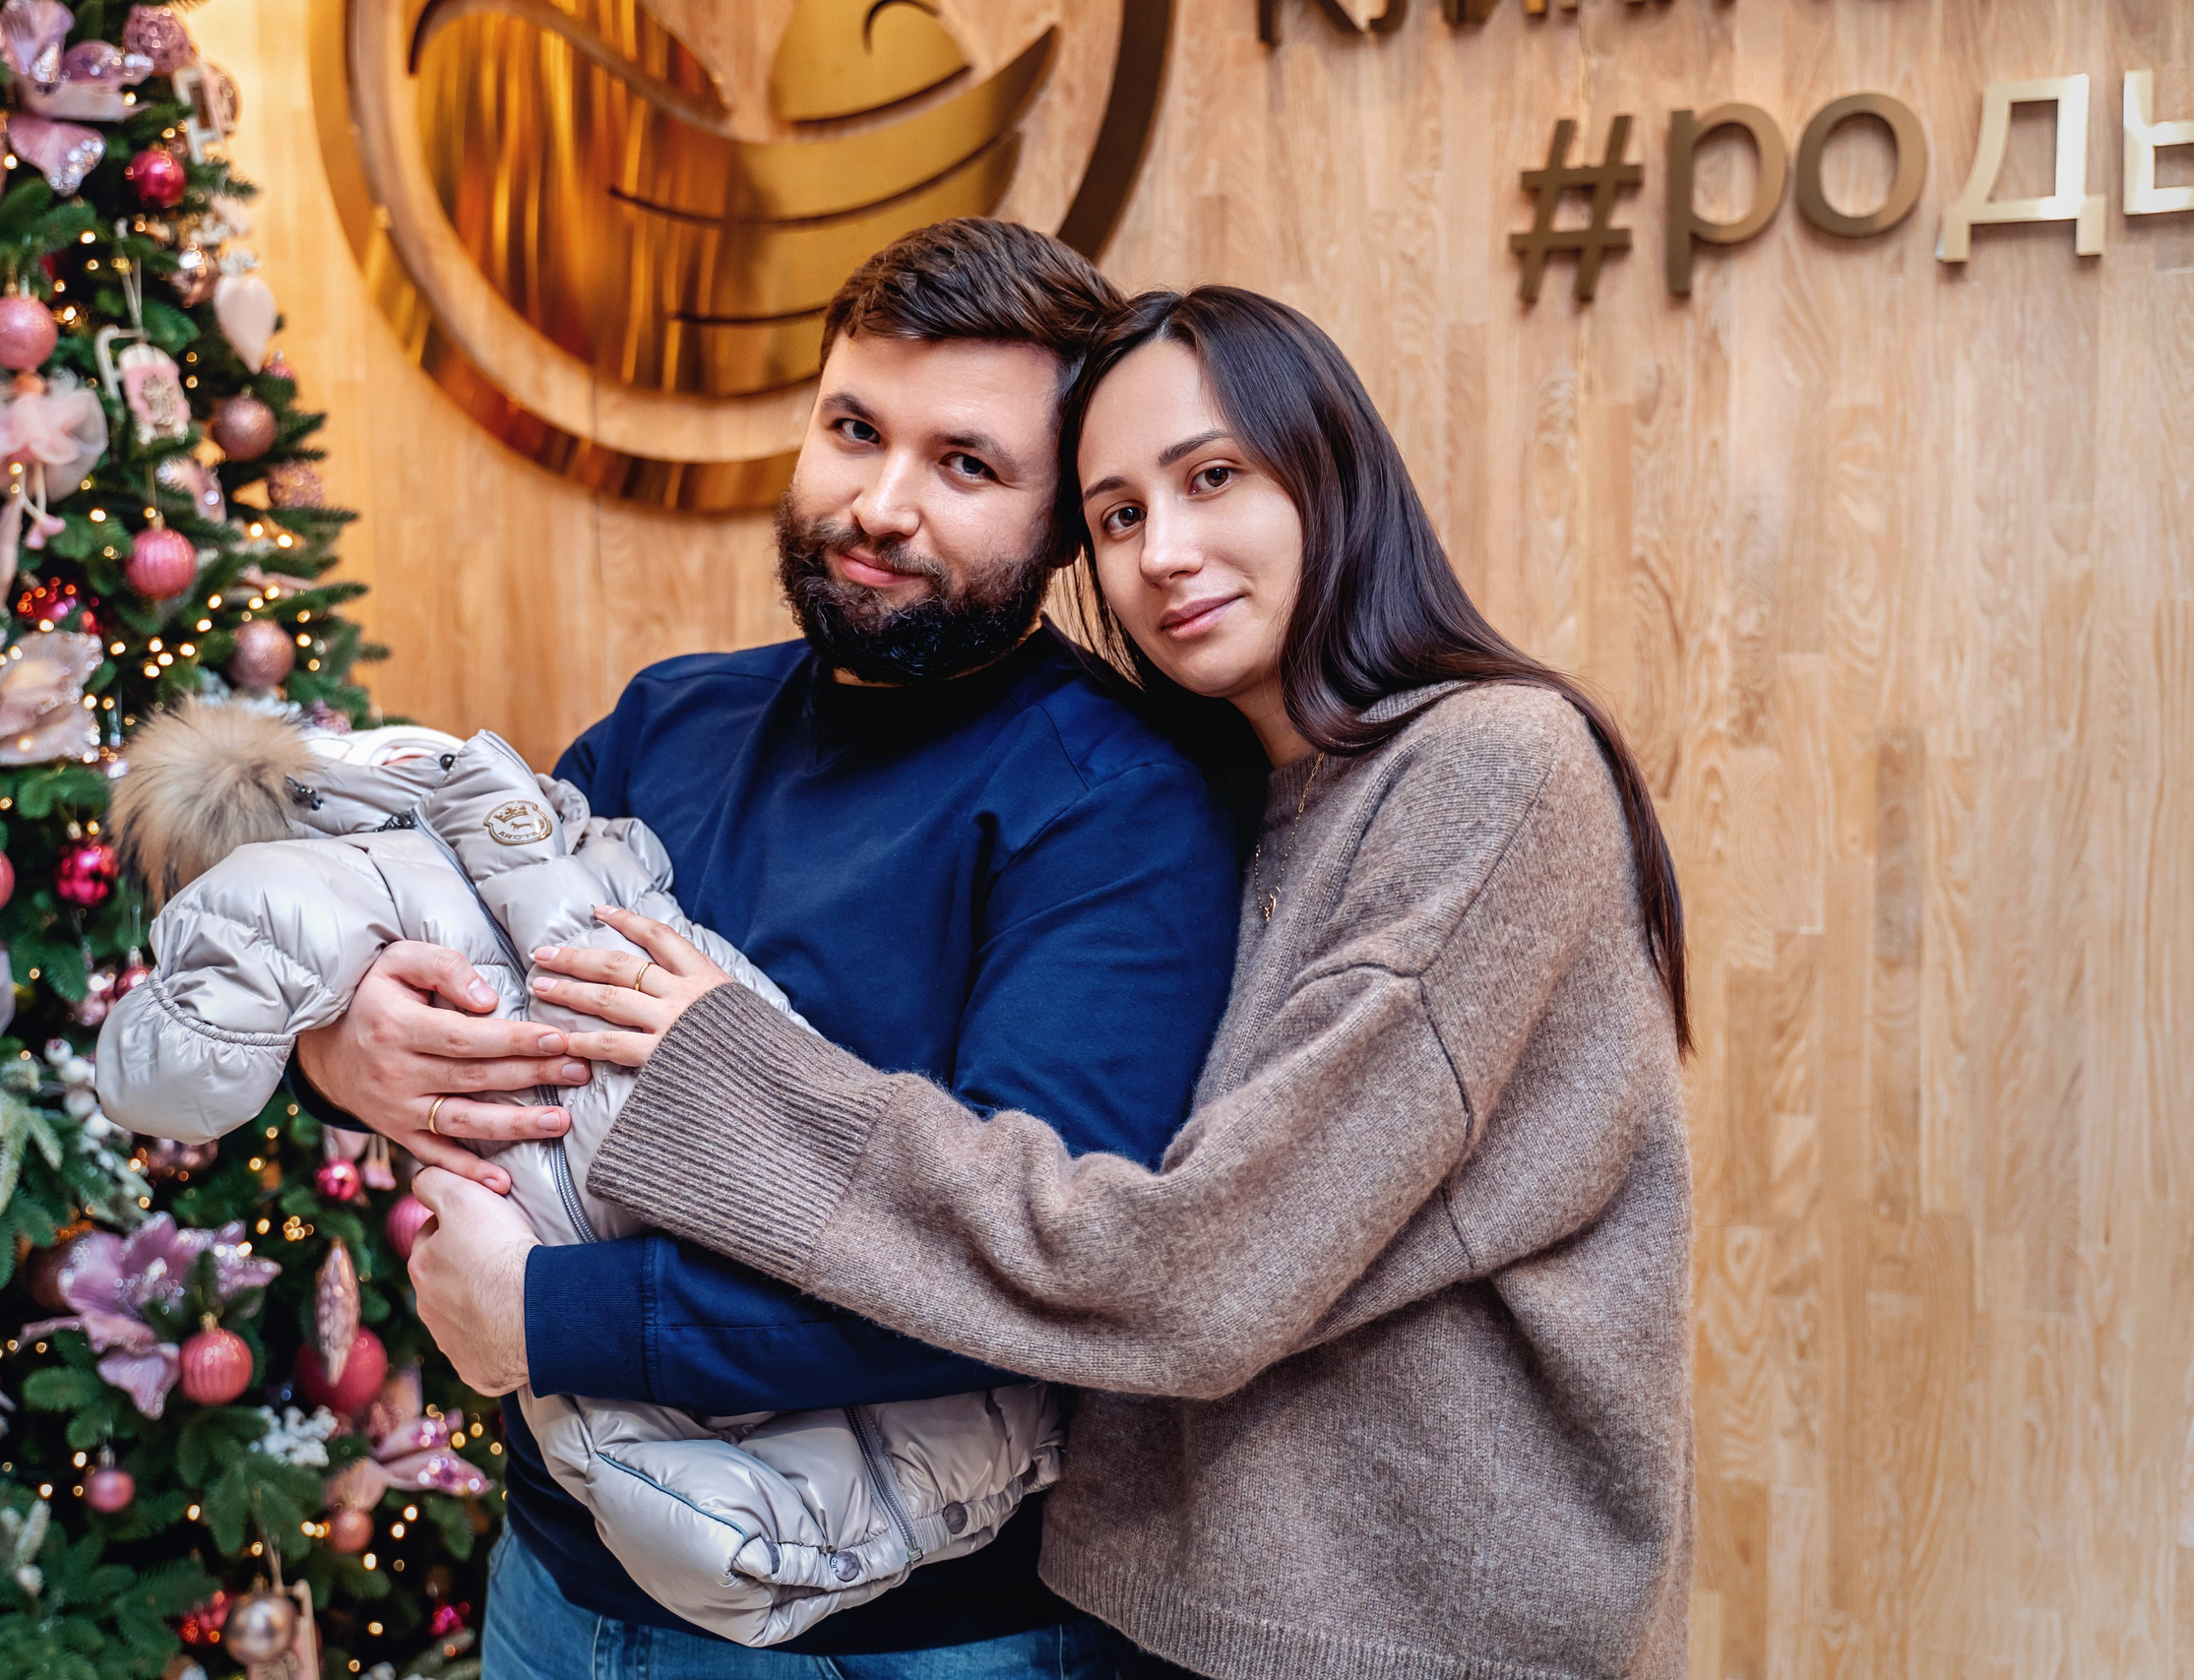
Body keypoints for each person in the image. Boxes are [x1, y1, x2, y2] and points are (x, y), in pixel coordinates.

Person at [515, 287, 1698, 1680]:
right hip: (1176, 1614)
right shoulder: (1256, 788)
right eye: (1123, 514)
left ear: (1332, 472)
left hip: (1399, 1636)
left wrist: (714, 1073)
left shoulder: (1490, 768)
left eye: (1212, 480)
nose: (1165, 554)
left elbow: (1195, 1269)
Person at [293, 221, 1244, 1677]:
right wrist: (350, 1041)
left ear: (1063, 528)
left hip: (915, 1637)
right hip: (562, 1590)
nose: (881, 504)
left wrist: (549, 1318)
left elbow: (1023, 1277)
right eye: (852, 430)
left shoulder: (1115, 810)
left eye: (965, 465)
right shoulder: (670, 722)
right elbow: (452, 978)